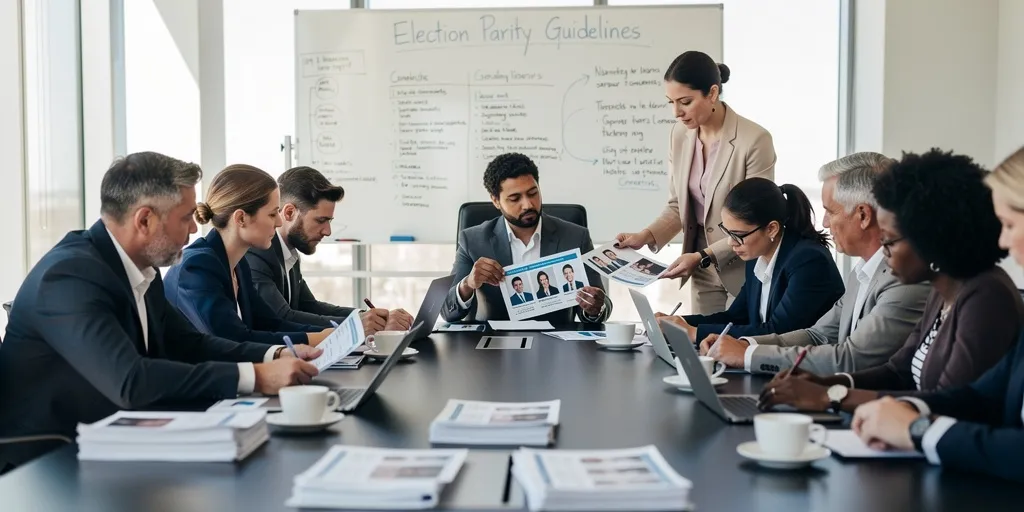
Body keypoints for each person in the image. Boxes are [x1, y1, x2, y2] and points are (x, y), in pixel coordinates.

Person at [0, 153, 321, 471]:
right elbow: (131, 380)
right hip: (48, 462)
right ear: (144, 220)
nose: (195, 230)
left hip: (116, 441)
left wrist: (272, 355)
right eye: (185, 218)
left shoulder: (141, 270)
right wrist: (253, 377)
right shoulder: (70, 276)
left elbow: (190, 343)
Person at [758, 149, 1024, 415]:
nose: (883, 252)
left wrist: (831, 396)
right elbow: (897, 371)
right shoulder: (942, 292)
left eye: (888, 240)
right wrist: (828, 384)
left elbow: (948, 404)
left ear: (929, 239)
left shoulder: (986, 296)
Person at [850, 146, 1024, 483]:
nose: (1003, 241)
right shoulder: (944, 291)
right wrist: (908, 411)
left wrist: (916, 428)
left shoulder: (986, 294)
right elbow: (981, 394)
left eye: (1010, 224)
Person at [699, 153, 930, 374]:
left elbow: (852, 359)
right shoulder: (862, 273)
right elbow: (818, 335)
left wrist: (748, 356)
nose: (825, 223)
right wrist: (744, 344)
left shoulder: (903, 280)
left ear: (863, 215)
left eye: (830, 211)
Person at [616, 50, 776, 314]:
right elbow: (679, 205)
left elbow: (756, 219)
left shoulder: (755, 139)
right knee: (704, 346)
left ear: (712, 93)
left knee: (737, 344)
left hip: (744, 262)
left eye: (685, 102)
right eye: (671, 102)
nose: (676, 112)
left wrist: (704, 255)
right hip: (700, 263)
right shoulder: (679, 135)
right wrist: (645, 236)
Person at [164, 165, 334, 346]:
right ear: (241, 219)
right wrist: (317, 338)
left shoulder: (239, 264)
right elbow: (232, 339)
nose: (278, 222)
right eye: (272, 214)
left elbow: (269, 323)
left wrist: (333, 334)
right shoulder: (198, 266)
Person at [656, 178, 844, 341]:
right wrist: (679, 323)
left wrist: (694, 333)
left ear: (772, 229)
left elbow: (779, 331)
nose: (731, 243)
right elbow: (737, 317)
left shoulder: (809, 261)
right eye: (727, 232)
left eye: (738, 235)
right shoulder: (757, 256)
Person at [442, 153, 612, 324]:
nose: (528, 204)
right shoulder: (472, 240)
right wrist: (467, 285)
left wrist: (595, 308)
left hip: (557, 343)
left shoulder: (575, 237)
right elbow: (446, 311)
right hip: (494, 345)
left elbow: (601, 304)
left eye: (533, 193)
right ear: (496, 201)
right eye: (515, 198)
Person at [245, 166, 412, 334]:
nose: (327, 231)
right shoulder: (258, 253)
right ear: (289, 213)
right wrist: (357, 325)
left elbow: (310, 307)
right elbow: (280, 317)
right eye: (321, 220)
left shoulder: (289, 253)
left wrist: (370, 317)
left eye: (329, 221)